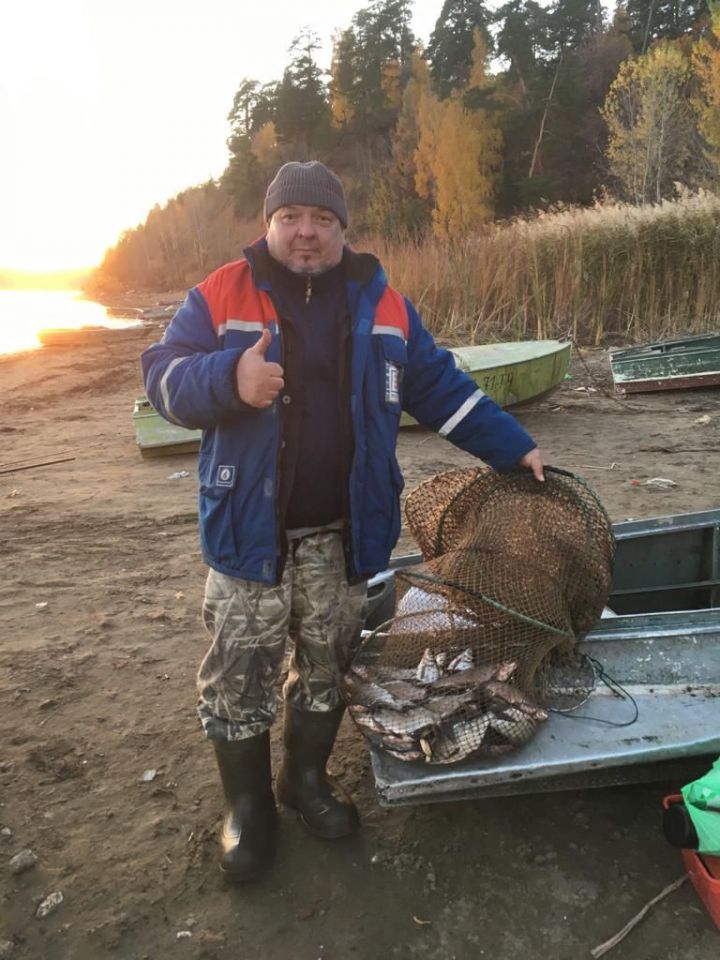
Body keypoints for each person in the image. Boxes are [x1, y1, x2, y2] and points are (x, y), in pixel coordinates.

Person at [141, 160, 544, 884]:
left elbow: (442, 388)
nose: (306, 232)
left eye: (322, 219)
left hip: (344, 534)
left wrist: (516, 449)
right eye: (291, 216)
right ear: (268, 224)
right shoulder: (220, 293)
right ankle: (248, 809)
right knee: (240, 677)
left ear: (342, 229)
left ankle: (305, 782)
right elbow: (162, 376)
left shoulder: (382, 301)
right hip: (248, 536)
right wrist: (228, 379)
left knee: (327, 671)